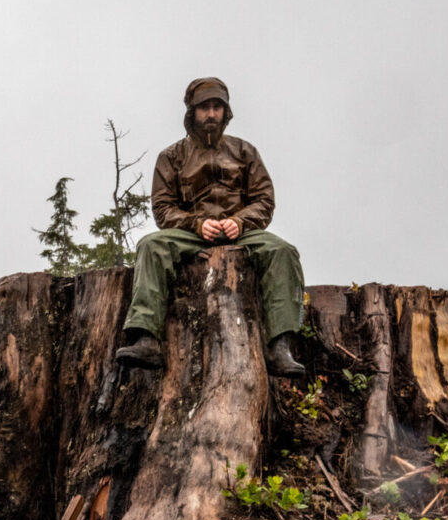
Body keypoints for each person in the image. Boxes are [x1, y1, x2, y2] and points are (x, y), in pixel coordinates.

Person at [115, 76, 308, 377]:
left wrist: (240, 222)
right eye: (205, 107)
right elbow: (163, 209)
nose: (211, 114)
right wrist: (195, 224)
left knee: (282, 250)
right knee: (151, 245)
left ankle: (279, 347)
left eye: (217, 107)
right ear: (192, 112)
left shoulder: (245, 151)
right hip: (191, 234)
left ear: (226, 112)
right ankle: (146, 339)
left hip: (241, 233)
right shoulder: (171, 157)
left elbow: (264, 200)